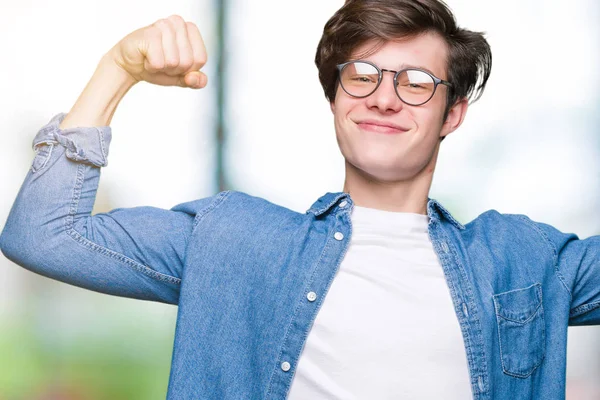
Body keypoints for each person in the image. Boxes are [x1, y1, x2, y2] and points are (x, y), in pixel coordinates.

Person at [0, 0, 598, 399]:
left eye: (416, 82)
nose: (385, 98)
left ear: (453, 113)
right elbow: (41, 235)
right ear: (336, 99)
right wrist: (117, 69)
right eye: (362, 75)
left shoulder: (525, 257)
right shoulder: (234, 239)